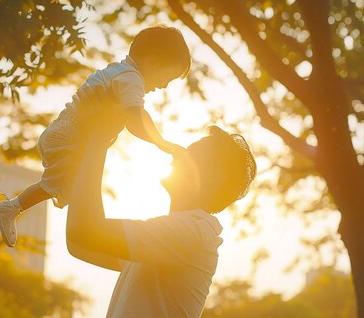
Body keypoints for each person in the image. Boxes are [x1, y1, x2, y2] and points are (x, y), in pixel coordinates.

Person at [0, 25, 192, 247]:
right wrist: (162, 143)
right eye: (168, 78)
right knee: (59, 185)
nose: (164, 86)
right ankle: (12, 207)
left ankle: (20, 209)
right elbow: (136, 118)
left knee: (70, 187)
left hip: (65, 132)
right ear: (153, 62)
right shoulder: (131, 78)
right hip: (69, 137)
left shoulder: (117, 70)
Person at [65, 98, 256, 317]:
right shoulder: (165, 239)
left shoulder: (193, 231)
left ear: (214, 177)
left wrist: (98, 138)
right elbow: (78, 243)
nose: (180, 151)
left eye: (193, 150)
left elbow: (85, 233)